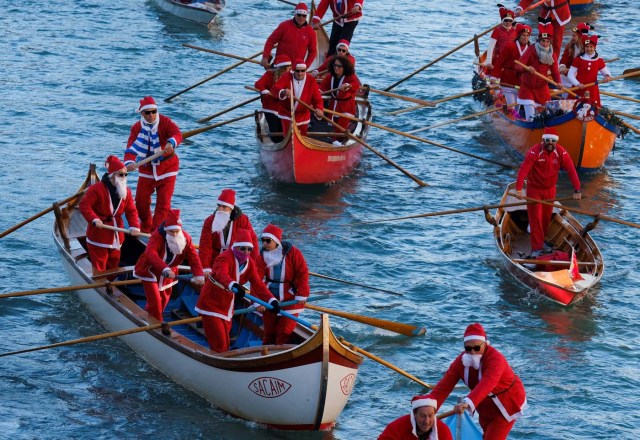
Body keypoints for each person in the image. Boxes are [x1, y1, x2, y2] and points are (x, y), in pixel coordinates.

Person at [429, 323, 527, 440]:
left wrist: (467, 402)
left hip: (507, 403)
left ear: (485, 345)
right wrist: (428, 408)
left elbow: (488, 383)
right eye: (468, 348)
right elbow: (443, 387)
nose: (472, 352)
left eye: (476, 348)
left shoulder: (496, 359)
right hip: (483, 404)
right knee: (487, 435)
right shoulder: (460, 362)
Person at [195, 229, 280, 353]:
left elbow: (257, 283)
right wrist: (233, 284)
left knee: (226, 340)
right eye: (243, 248)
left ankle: (223, 360)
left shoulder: (249, 263)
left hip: (227, 305)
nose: (246, 252)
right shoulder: (224, 258)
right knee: (219, 343)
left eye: (249, 249)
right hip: (211, 303)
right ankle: (221, 364)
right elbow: (222, 274)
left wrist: (271, 300)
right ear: (235, 247)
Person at [515, 127, 581, 257]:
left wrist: (577, 189)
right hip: (534, 190)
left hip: (550, 190)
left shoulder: (561, 152)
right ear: (543, 140)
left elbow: (571, 170)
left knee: (545, 219)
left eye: (553, 140)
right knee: (536, 220)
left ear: (556, 142)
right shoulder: (534, 152)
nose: (550, 142)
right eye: (547, 140)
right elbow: (523, 170)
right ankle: (536, 249)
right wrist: (518, 189)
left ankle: (541, 242)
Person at [124, 96, 182, 233]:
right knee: (141, 201)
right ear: (142, 114)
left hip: (168, 167)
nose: (151, 115)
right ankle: (146, 225)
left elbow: (177, 134)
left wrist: (171, 142)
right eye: (147, 113)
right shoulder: (137, 128)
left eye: (154, 111)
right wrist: (130, 162)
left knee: (163, 204)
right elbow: (131, 147)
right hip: (146, 168)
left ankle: (156, 232)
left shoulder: (165, 121)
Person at [133, 209, 204, 321]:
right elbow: (150, 253)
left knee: (164, 300)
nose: (175, 234)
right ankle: (157, 323)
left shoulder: (186, 238)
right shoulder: (157, 236)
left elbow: (193, 258)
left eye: (177, 231)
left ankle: (152, 316)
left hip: (170, 272)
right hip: (149, 269)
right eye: (171, 232)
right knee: (155, 301)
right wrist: (164, 268)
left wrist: (199, 274)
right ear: (166, 231)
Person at [79, 155, 141, 275]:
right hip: (99, 235)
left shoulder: (126, 191)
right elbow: (84, 206)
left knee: (113, 266)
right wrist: (94, 219)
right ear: (112, 176)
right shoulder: (96, 189)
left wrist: (134, 226)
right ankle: (100, 286)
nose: (124, 177)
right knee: (100, 268)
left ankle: (110, 286)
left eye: (125, 174)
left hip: (117, 235)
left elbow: (131, 210)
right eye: (121, 174)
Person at [257, 224, 310, 345]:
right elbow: (256, 280)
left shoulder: (294, 253)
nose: (264, 243)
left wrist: (302, 294)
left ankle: (279, 353)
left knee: (284, 331)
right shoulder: (261, 257)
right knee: (269, 332)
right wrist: (258, 301)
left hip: (290, 298)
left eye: (268, 240)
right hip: (269, 297)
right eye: (262, 240)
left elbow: (302, 273)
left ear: (276, 241)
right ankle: (266, 355)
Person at [198, 188, 260, 273]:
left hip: (235, 260)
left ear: (231, 208)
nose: (220, 209)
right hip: (215, 260)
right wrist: (205, 267)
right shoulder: (209, 221)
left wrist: (253, 267)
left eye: (224, 207)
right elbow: (205, 246)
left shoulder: (243, 220)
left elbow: (252, 242)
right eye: (219, 206)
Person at [515, 19, 560, 121]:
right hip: (528, 88)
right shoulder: (531, 49)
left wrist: (559, 83)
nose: (545, 43)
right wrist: (527, 69)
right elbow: (518, 66)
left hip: (542, 89)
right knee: (531, 118)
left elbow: (555, 71)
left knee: (544, 117)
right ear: (539, 41)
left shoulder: (552, 54)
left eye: (547, 41)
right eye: (543, 41)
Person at [271, 59, 325, 136]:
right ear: (293, 70)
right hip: (287, 114)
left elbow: (317, 98)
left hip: (303, 115)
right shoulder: (286, 76)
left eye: (302, 71)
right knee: (287, 135)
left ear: (305, 70)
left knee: (303, 136)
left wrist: (319, 108)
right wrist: (283, 91)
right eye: (297, 71)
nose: (300, 73)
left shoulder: (311, 80)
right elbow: (274, 89)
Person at [260, 3, 317, 71]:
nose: (301, 17)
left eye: (304, 15)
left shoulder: (310, 31)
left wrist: (305, 66)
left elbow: (313, 51)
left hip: (295, 69)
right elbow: (270, 41)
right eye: (299, 15)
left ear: (306, 16)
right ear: (295, 14)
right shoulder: (284, 26)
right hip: (279, 65)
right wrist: (265, 57)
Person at [319, 55, 361, 145]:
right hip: (334, 106)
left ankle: (336, 142)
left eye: (339, 66)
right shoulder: (331, 76)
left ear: (344, 67)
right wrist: (317, 92)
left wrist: (348, 85)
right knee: (332, 127)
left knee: (339, 130)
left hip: (346, 108)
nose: (336, 68)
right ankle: (333, 141)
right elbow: (322, 86)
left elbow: (356, 85)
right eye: (335, 66)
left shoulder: (350, 76)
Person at [491, 23, 532, 107]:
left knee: (518, 105)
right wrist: (494, 77)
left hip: (522, 82)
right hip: (508, 80)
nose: (525, 37)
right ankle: (508, 110)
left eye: (527, 36)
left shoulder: (531, 49)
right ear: (519, 35)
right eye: (523, 35)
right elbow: (500, 62)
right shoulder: (510, 46)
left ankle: (515, 117)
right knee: (512, 105)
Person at [378, 394, 453, 440]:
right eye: (422, 415)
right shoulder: (396, 428)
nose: (426, 421)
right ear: (414, 414)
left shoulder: (443, 431)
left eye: (430, 416)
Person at [566, 34, 611, 108]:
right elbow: (570, 74)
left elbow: (606, 72)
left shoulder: (599, 60)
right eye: (587, 47)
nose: (589, 49)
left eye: (591, 47)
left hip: (592, 90)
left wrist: (607, 76)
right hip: (578, 89)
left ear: (594, 47)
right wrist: (577, 84)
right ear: (584, 47)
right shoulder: (578, 59)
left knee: (594, 108)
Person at [255, 54, 292, 140]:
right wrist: (266, 92)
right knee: (275, 135)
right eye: (288, 66)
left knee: (283, 133)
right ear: (282, 68)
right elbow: (258, 84)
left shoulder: (289, 76)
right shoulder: (269, 74)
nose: (290, 68)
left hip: (282, 109)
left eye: (290, 66)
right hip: (270, 108)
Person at [482, 4, 516, 78]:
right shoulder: (497, 30)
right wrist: (488, 62)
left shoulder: (515, 31)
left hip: (510, 58)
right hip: (498, 57)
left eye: (510, 21)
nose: (508, 23)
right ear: (502, 21)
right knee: (491, 76)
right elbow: (491, 47)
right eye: (506, 20)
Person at [558, 22, 593, 88]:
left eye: (574, 36)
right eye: (572, 35)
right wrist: (562, 67)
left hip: (580, 77)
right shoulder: (569, 46)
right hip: (568, 77)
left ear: (579, 37)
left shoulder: (586, 47)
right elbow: (564, 58)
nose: (572, 38)